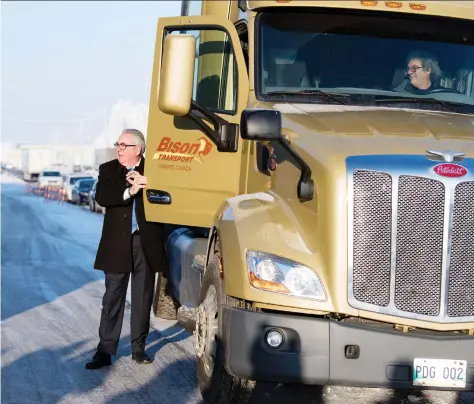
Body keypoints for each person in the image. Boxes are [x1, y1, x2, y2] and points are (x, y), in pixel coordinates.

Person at [85, 128, 167, 370]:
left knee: (142, 297)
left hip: (146, 243)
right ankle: (105, 350)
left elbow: (168, 197)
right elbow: (103, 196)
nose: (119, 149)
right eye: (118, 144)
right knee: (112, 298)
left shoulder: (155, 169)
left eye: (124, 145)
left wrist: (149, 188)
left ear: (138, 150)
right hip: (116, 244)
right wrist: (130, 190)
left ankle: (138, 348)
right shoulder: (108, 169)